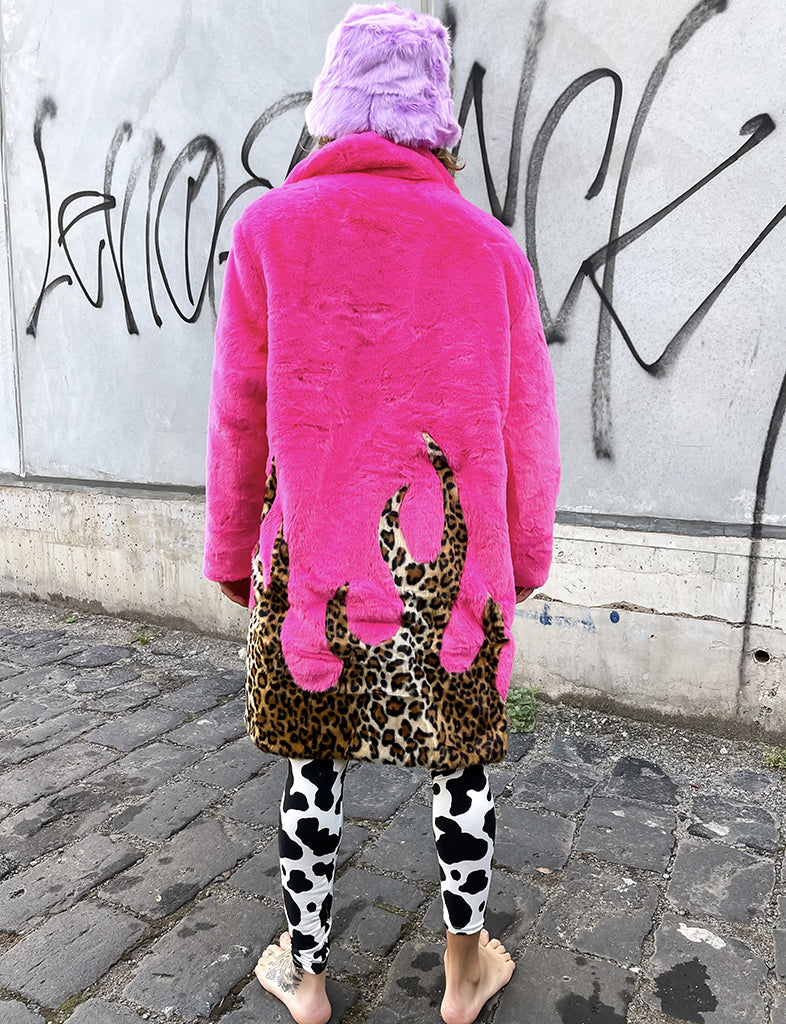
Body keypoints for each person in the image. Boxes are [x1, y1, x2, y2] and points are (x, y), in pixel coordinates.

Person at [203, 4, 560, 1023]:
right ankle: (464, 973)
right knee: (463, 761)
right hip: (454, 568)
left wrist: (233, 552)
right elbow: (528, 431)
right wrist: (521, 559)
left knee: (312, 761)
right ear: (435, 118)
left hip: (314, 565)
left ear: (330, 105)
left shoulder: (267, 233)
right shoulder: (492, 251)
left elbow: (239, 414)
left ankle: (308, 976)